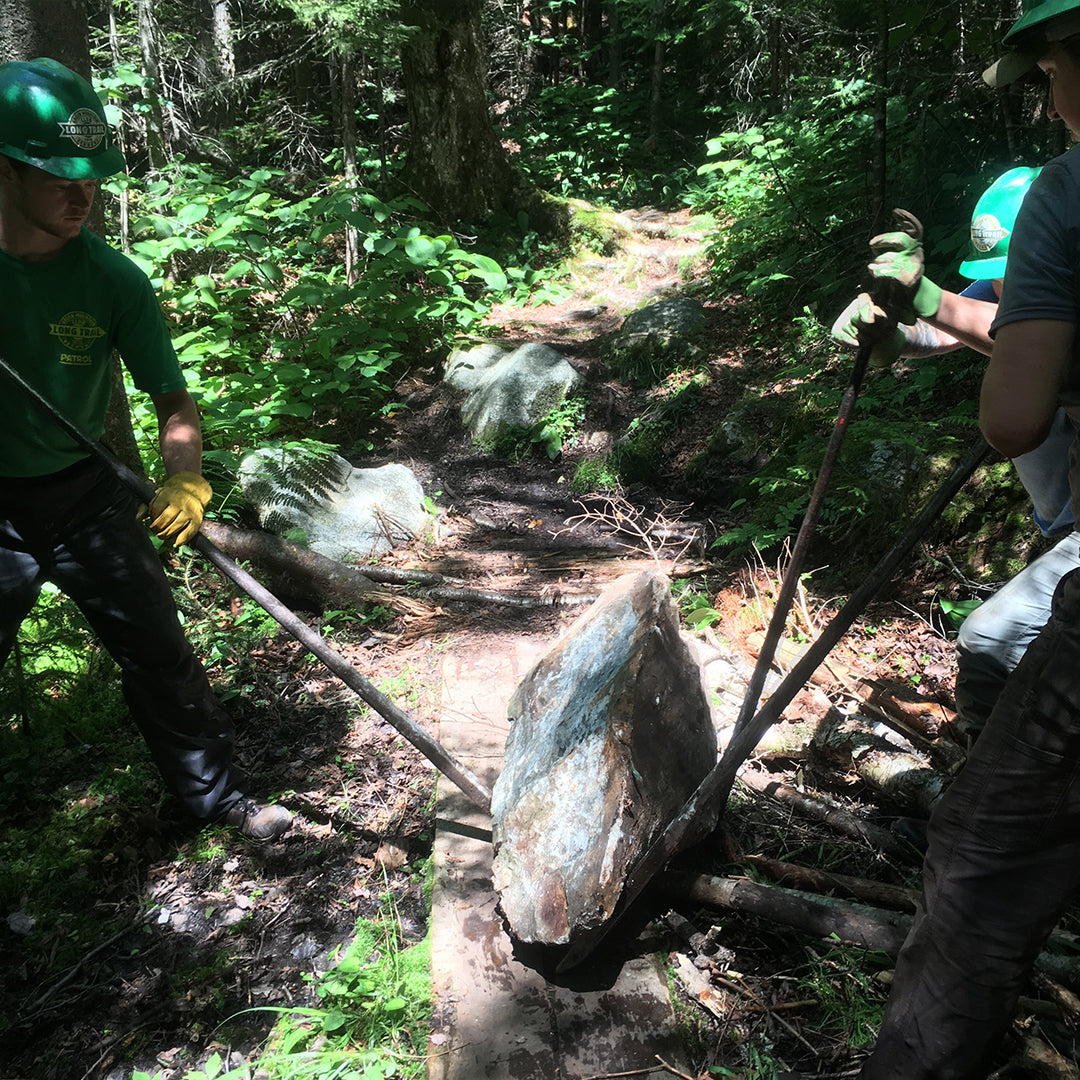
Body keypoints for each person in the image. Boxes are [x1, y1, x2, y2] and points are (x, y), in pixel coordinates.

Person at [859, 1, 1080, 1075]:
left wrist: (949, 305)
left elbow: (1011, 400)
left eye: (1051, 72)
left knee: (995, 648)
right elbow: (968, 321)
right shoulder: (1038, 230)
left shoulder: (1068, 197)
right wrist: (896, 318)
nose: (1051, 96)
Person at [0, 58, 291, 842]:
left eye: (91, 177)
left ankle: (218, 801)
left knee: (160, 650)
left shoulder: (112, 281)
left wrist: (185, 478)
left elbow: (173, 401)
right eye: (58, 176)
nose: (81, 193)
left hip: (83, 493)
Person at [832, 168, 1079, 743]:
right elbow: (953, 329)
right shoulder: (1003, 292)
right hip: (1066, 524)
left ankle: (993, 782)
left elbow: (1013, 337)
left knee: (992, 638)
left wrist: (927, 297)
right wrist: (897, 335)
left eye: (1014, 276)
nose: (1003, 291)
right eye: (996, 279)